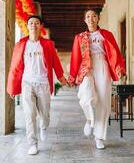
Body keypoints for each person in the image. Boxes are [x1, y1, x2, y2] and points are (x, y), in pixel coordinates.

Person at [7, 15, 68, 155]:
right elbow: (14, 66)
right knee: (29, 114)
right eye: (31, 23)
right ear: (27, 26)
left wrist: (61, 77)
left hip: (43, 83)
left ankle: (44, 126)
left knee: (45, 114)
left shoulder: (48, 44)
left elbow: (56, 63)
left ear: (40, 26)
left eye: (36, 23)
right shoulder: (21, 44)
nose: (33, 25)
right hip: (27, 82)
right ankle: (32, 144)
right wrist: (12, 87)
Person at [68, 9, 126, 149]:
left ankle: (99, 136)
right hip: (86, 67)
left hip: (102, 65)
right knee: (86, 94)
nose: (91, 18)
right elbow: (75, 57)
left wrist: (120, 69)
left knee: (104, 101)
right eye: (88, 16)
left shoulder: (106, 35)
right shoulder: (79, 37)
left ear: (98, 18)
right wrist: (72, 76)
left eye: (94, 16)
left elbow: (115, 53)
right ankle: (89, 119)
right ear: (85, 20)